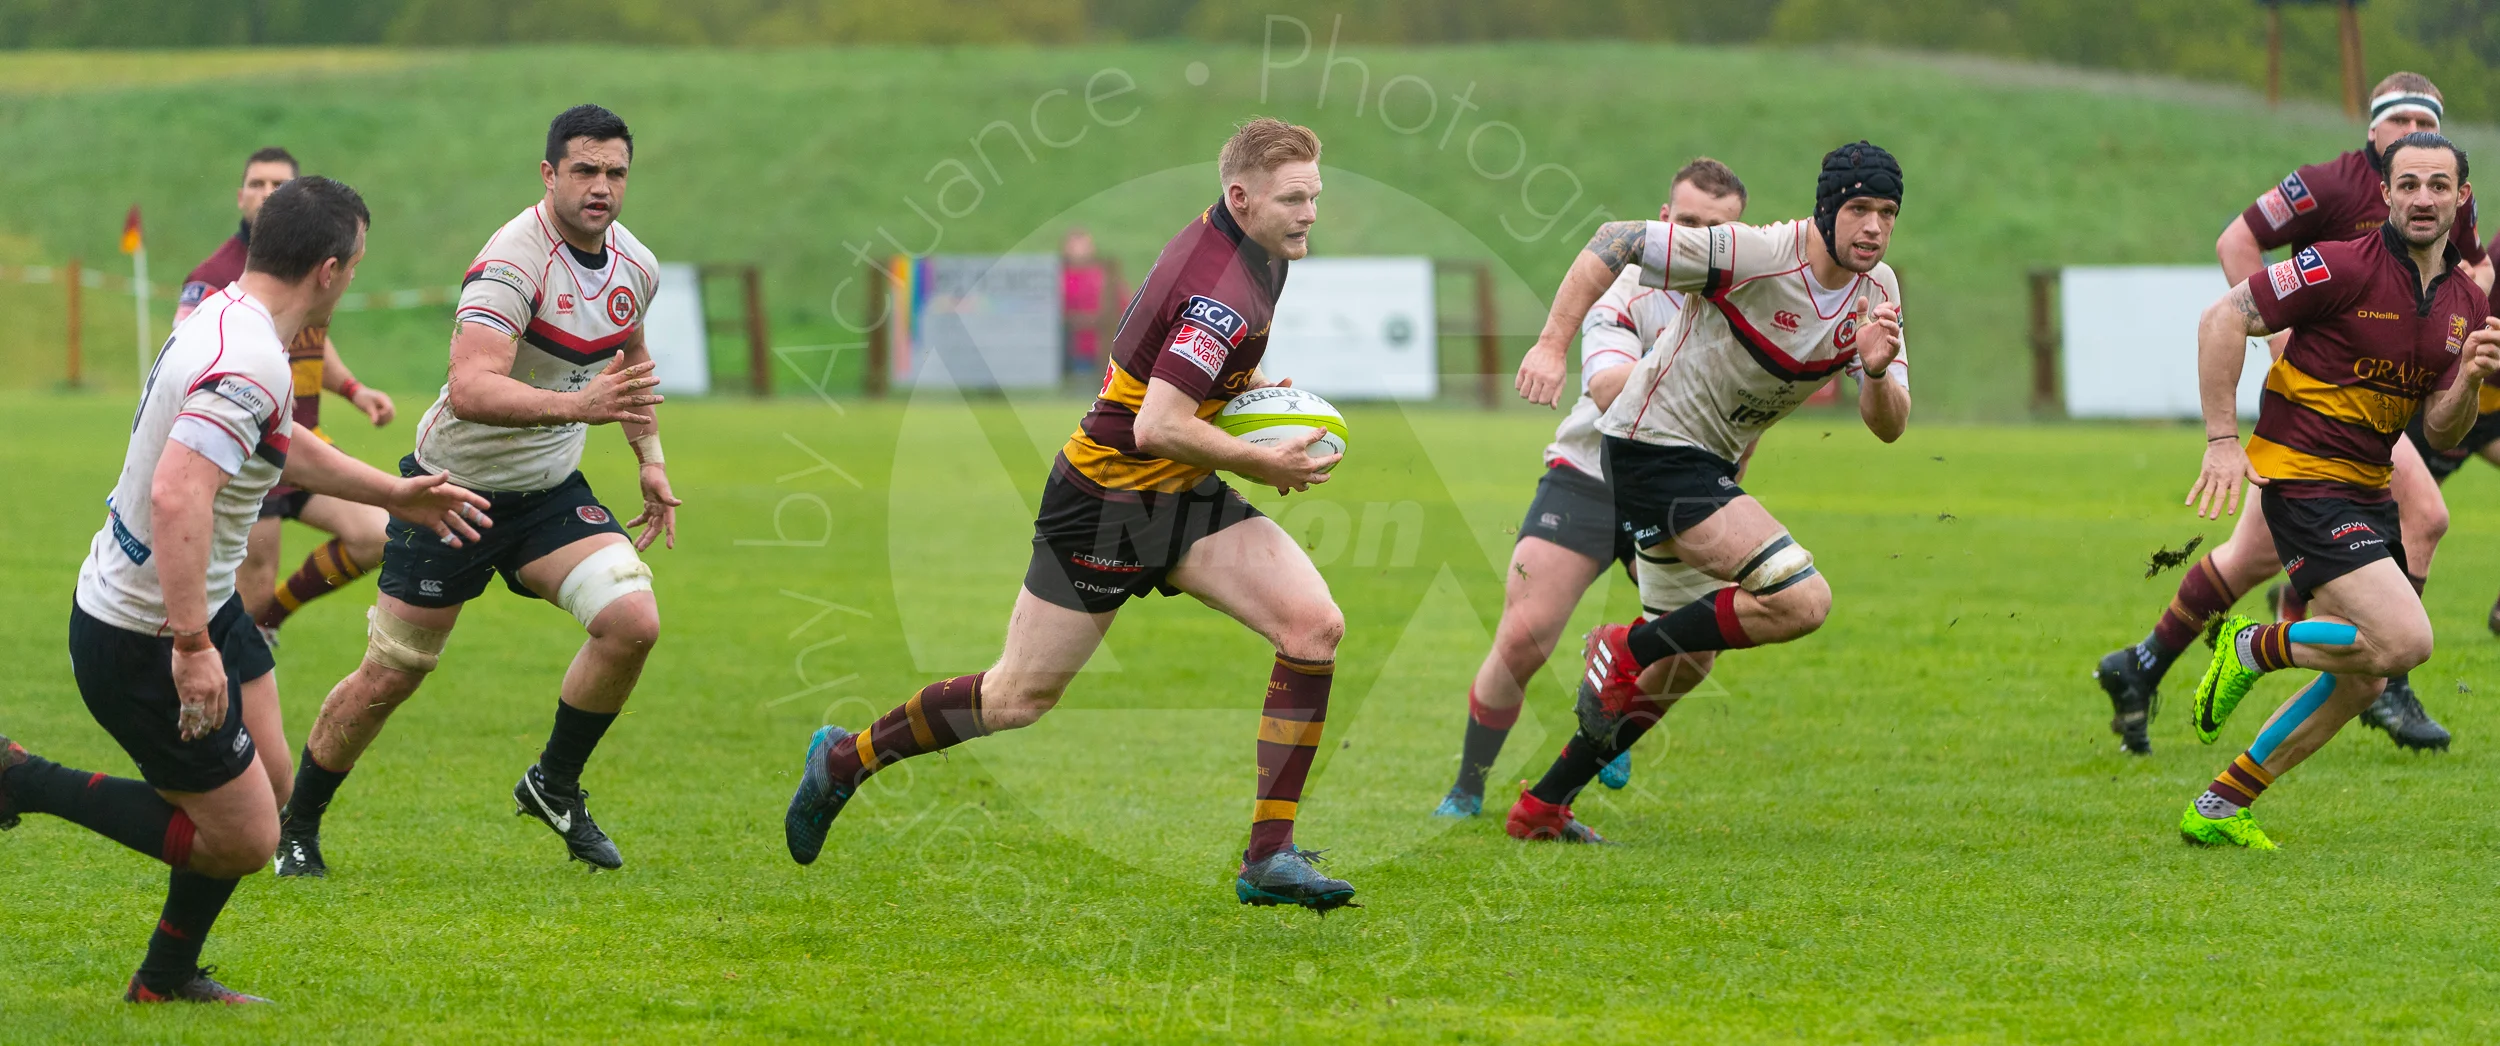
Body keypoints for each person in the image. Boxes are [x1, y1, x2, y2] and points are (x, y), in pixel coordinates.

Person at [782, 118, 1358, 911]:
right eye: (1294, 198)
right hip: (1107, 502)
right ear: (1240, 197)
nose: (1309, 213)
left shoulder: (1258, 247)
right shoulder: (1218, 289)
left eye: (1314, 197)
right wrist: (1265, 459)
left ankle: (1270, 857)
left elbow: (1191, 393)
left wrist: (1265, 404)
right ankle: (844, 761)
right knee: (1016, 700)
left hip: (1183, 488)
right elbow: (1156, 424)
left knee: (1313, 627)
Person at [1, 177, 487, 1003]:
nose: (355, 277)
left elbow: (277, 442)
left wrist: (392, 493)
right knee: (247, 835)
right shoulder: (248, 358)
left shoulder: (226, 316)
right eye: (357, 266)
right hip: (145, 633)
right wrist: (192, 646)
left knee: (248, 801)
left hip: (181, 605)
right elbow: (176, 495)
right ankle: (20, 778)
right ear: (329, 269)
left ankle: (164, 980)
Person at [274, 104, 679, 877]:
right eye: (585, 170)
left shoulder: (637, 266)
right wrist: (578, 406)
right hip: (449, 492)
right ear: (549, 174)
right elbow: (468, 388)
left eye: (615, 172)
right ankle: (301, 823)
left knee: (633, 619)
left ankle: (553, 784)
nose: (601, 187)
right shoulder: (512, 262)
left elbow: (630, 359)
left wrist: (648, 458)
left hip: (548, 492)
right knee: (391, 673)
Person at [1507, 141, 1911, 843]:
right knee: (1803, 599)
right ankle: (1625, 643)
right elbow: (1618, 239)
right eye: (1858, 209)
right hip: (1650, 447)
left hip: (1704, 467)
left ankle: (1542, 806)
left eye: (1887, 213)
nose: (1873, 227)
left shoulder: (1879, 294)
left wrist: (1874, 373)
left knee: (1685, 665)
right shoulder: (1757, 254)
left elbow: (1890, 428)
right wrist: (1549, 344)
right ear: (1826, 208)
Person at [2096, 72, 2495, 755]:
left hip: (2381, 399)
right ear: (2373, 134)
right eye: (2396, 124)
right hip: (2324, 402)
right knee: (2426, 516)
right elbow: (2235, 243)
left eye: (2422, 124)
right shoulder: (2332, 184)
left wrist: (2457, 327)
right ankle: (2386, 676)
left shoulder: (2440, 192)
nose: (2410, 139)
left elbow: (2476, 272)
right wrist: (2280, 337)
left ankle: (2143, 664)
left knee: (2249, 557)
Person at [2177, 132, 2496, 849]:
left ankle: (2221, 805)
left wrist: (2471, 379)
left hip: (2367, 489)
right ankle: (2254, 645)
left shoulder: (2464, 305)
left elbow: (2443, 434)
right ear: (2384, 193)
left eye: (2438, 186)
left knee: (2365, 678)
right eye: (2408, 184)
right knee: (2407, 640)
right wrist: (2223, 439)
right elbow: (2223, 317)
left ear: (2461, 199)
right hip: (2302, 478)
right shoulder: (2338, 265)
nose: (2422, 198)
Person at [1434, 158, 1747, 820]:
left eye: (1715, 231)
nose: (1698, 242)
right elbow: (1610, 390)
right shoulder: (1628, 285)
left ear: (1738, 236)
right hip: (1591, 474)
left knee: (1695, 654)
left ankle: (1605, 722)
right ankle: (1467, 784)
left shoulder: (1751, 298)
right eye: (1687, 224)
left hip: (1680, 489)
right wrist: (1552, 348)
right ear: (1663, 222)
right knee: (1523, 636)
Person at [177, 147, 399, 651]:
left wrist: (353, 388)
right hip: (251, 451)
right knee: (248, 593)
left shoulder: (304, 268)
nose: (265, 193)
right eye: (256, 184)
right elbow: (186, 357)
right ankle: (216, 686)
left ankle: (270, 621)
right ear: (240, 195)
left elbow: (314, 336)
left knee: (377, 534)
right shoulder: (216, 276)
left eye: (278, 185)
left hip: (302, 443)